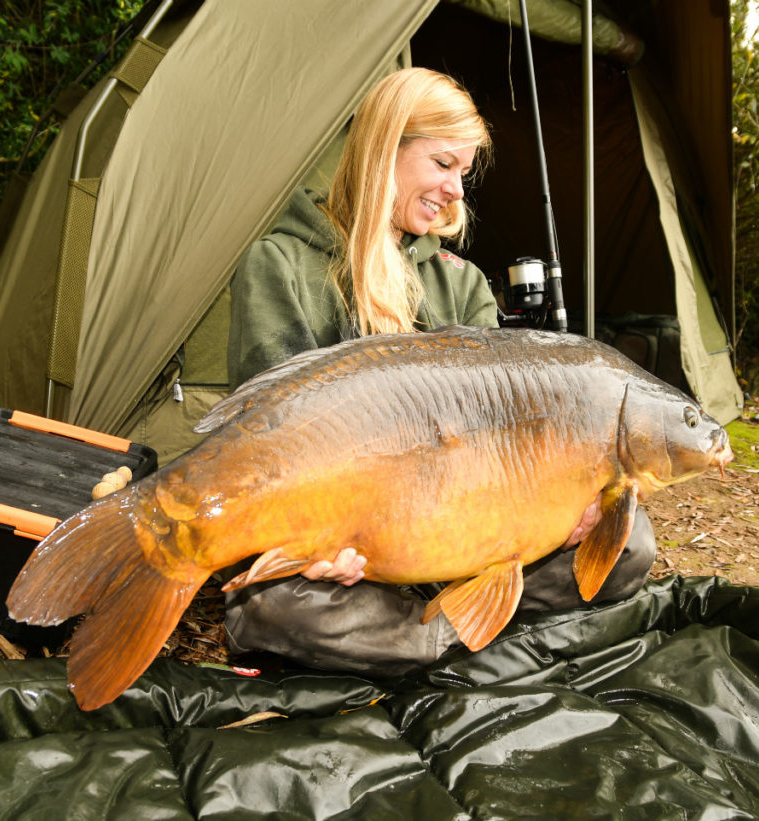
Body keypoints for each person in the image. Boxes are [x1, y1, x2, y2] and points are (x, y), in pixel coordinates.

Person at [223, 67, 657, 675]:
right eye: (443, 164)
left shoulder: (462, 284)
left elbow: (512, 441)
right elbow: (267, 447)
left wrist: (570, 506)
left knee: (629, 544)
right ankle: (469, 639)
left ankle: (425, 637)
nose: (456, 190)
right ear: (383, 152)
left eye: (463, 172)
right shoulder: (280, 264)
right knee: (278, 606)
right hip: (347, 544)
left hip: (459, 540)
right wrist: (318, 542)